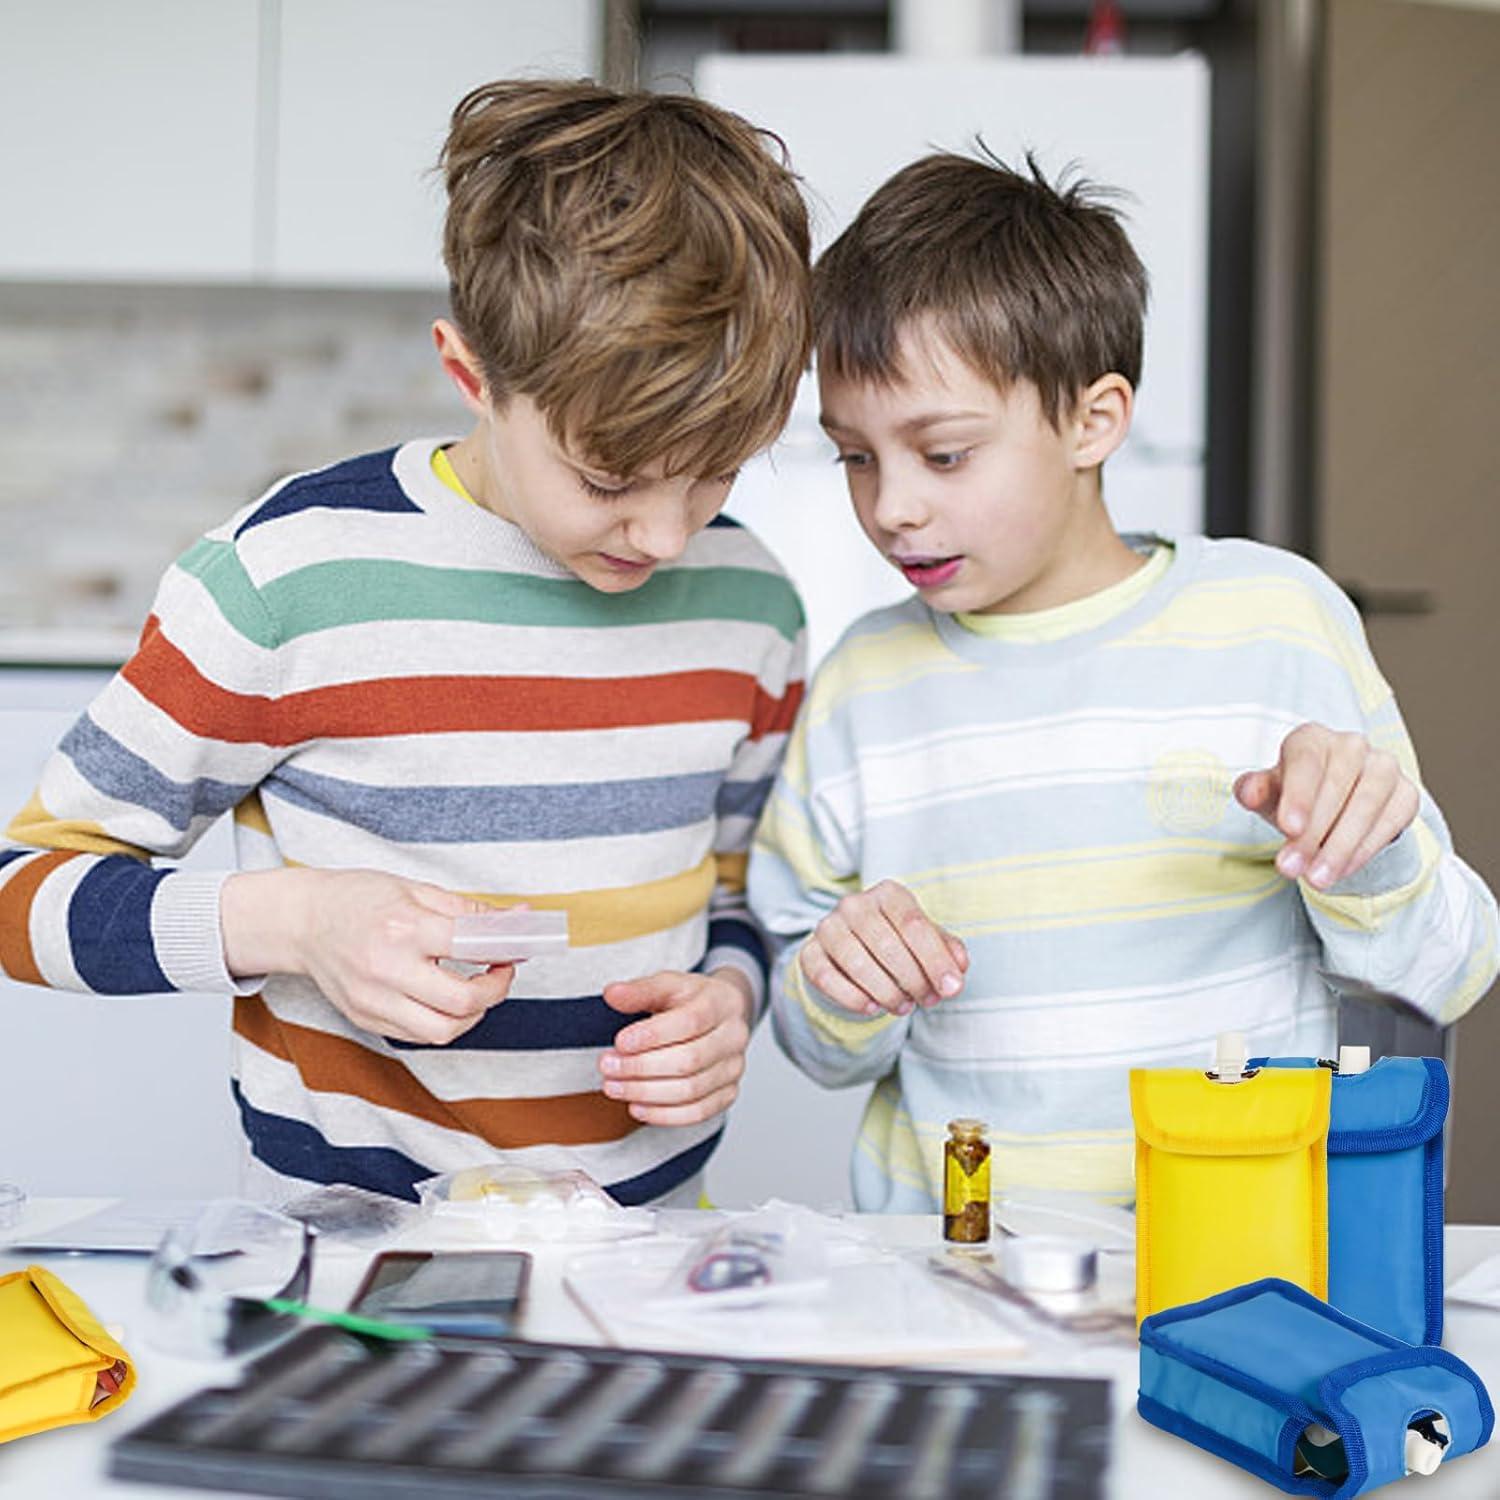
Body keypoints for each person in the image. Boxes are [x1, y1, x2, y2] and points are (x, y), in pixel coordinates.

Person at [0, 79, 812, 1207]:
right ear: (471, 372)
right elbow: (21, 899)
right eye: (610, 478)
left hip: (653, 1246)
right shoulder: (293, 578)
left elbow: (734, 894)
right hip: (347, 1256)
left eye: (717, 469)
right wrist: (296, 922)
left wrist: (729, 997)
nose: (671, 533)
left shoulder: (754, 605)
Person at [747, 150, 1498, 1214]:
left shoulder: (1272, 620)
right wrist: (843, 982)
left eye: (945, 454)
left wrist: (1372, 851)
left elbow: (1451, 971)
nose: (892, 507)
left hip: (1242, 1264)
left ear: (1094, 421)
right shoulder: (864, 683)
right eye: (856, 457)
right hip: (951, 1279)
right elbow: (816, 1048)